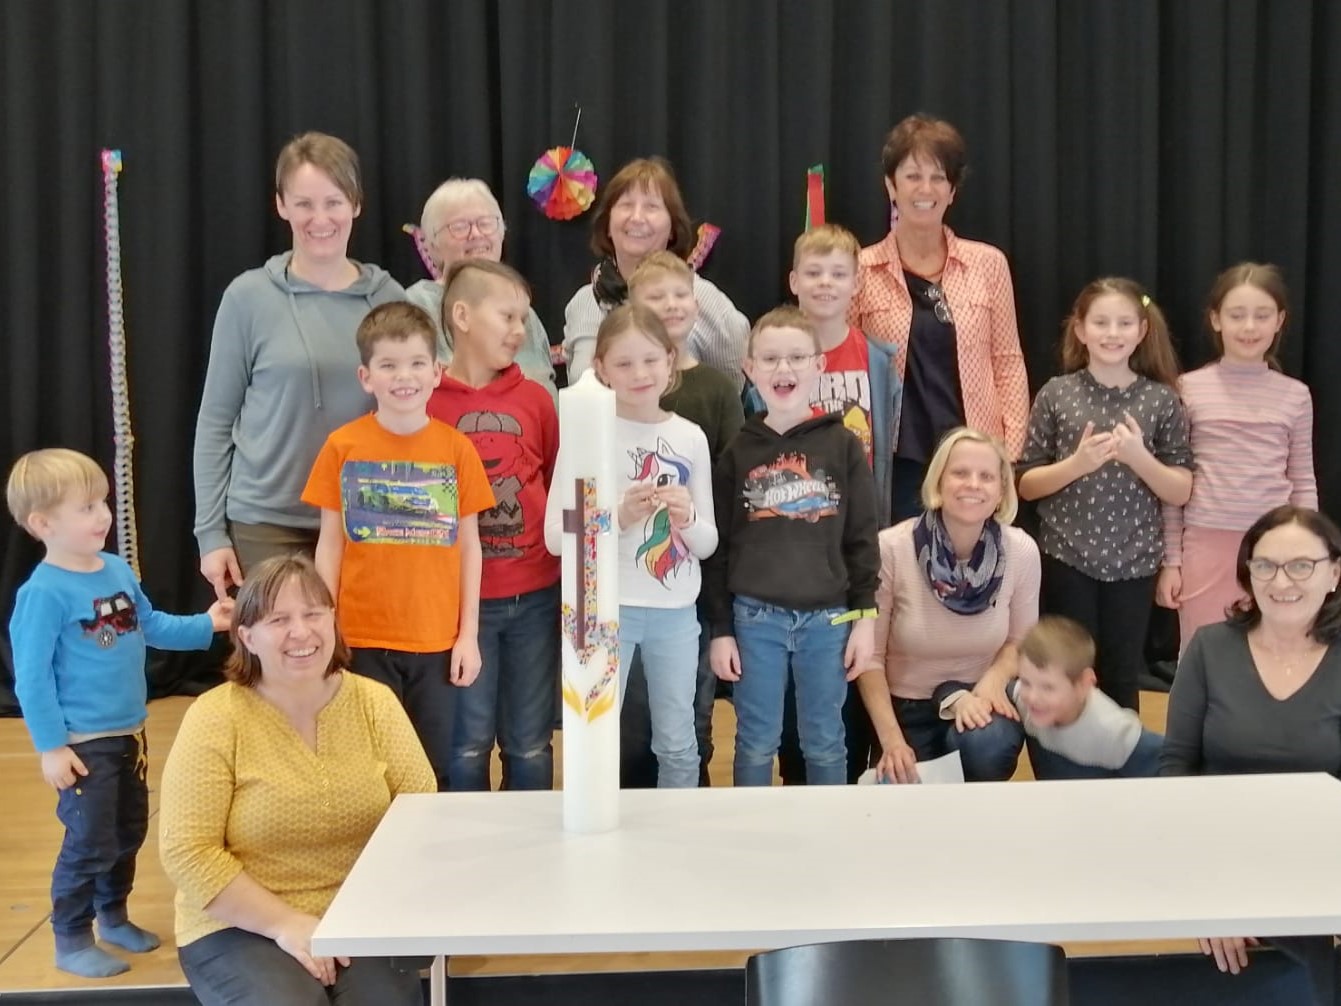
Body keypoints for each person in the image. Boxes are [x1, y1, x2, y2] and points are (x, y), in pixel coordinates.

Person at [159, 554, 435, 1006]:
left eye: (313, 614)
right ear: (246, 637)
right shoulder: (214, 717)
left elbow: (421, 816)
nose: (302, 632)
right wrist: (286, 923)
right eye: (279, 620)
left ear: (333, 621)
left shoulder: (375, 703)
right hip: (238, 922)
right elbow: (188, 852)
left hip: (359, 914)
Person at [6, 448, 229, 978]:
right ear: (43, 524)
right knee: (89, 841)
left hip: (129, 732)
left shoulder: (115, 569)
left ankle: (113, 915)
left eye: (103, 502)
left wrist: (208, 624)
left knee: (127, 831)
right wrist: (51, 747)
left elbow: (150, 626)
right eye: (86, 507)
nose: (103, 515)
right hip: (83, 743)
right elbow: (31, 678)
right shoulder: (43, 594)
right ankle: (70, 936)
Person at [193, 132, 404, 599]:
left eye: (333, 202)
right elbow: (215, 422)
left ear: (356, 205)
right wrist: (210, 534)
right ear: (281, 205)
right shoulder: (247, 298)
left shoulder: (389, 299)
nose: (320, 219)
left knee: (351, 645)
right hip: (267, 522)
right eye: (304, 204)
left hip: (363, 518)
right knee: (281, 641)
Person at [302, 301, 494, 790]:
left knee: (432, 767)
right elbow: (330, 545)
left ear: (437, 372)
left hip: (435, 639)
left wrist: (468, 635)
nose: (403, 377)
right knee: (365, 768)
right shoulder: (342, 447)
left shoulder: (457, 450)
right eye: (388, 365)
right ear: (366, 377)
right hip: (361, 638)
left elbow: (470, 548)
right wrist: (326, 627)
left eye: (415, 364)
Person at [1163, 505, 1341, 1003]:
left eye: (1300, 565)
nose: (1281, 581)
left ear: (1334, 573)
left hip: (1321, 858)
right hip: (1224, 855)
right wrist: (1210, 894)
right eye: (1265, 565)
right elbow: (1175, 772)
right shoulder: (1209, 649)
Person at [706, 306, 879, 786]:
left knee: (825, 739)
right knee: (756, 739)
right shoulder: (738, 451)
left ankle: (827, 828)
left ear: (818, 366)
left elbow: (862, 538)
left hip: (829, 620)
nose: (784, 369)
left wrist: (865, 619)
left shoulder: (843, 445)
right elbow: (718, 549)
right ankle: (753, 828)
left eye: (797, 357)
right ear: (749, 368)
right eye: (770, 359)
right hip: (755, 619)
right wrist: (722, 629)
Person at [545, 304, 718, 788]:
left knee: (678, 742)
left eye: (650, 360)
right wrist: (616, 516)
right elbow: (555, 536)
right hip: (603, 610)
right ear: (600, 368)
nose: (639, 374)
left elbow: (707, 543)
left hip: (675, 611)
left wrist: (686, 519)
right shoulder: (586, 434)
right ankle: (594, 826)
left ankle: (677, 829)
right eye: (624, 363)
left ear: (670, 360)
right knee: (593, 735)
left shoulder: (690, 437)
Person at [1017, 278, 1193, 712]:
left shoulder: (1161, 400)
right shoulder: (1057, 393)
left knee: (1121, 675)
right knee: (1068, 671)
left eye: (1124, 323)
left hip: (1135, 562)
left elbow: (1180, 489)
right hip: (1066, 557)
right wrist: (1077, 464)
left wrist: (1139, 458)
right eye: (1100, 322)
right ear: (1080, 329)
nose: (1112, 333)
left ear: (1142, 330)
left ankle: (1118, 752)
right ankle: (1065, 751)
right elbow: (1026, 484)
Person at [771, 222, 903, 785]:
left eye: (838, 273)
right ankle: (798, 777)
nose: (825, 283)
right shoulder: (775, 356)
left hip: (855, 542)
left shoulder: (877, 358)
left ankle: (850, 779)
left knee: (853, 657)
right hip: (792, 547)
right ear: (794, 281)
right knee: (795, 675)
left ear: (856, 285)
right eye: (814, 272)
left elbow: (886, 445)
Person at [848, 114, 1029, 521]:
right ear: (891, 186)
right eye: (912, 176)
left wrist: (1010, 452)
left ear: (952, 190)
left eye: (938, 178)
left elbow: (1007, 360)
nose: (925, 189)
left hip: (973, 457)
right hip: (896, 461)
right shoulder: (860, 269)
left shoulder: (988, 264)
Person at [427, 260, 560, 791]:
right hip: (461, 605)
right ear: (462, 316)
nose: (519, 330)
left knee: (530, 743)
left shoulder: (536, 400)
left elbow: (553, 480)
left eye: (523, 318)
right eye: (507, 316)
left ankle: (533, 840)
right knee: (466, 742)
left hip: (536, 597)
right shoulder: (427, 403)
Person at [620, 252, 745, 787]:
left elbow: (727, 494)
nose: (671, 305)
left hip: (694, 577)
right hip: (629, 584)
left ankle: (688, 805)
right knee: (631, 721)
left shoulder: (715, 390)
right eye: (656, 297)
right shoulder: (610, 402)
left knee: (690, 720)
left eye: (680, 294)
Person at [857, 427, 1036, 784]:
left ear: (1002, 491)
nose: (973, 484)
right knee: (900, 794)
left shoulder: (1021, 551)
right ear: (938, 481)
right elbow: (870, 659)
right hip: (906, 710)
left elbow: (1022, 641)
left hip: (981, 701)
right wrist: (892, 741)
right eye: (960, 473)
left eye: (986, 476)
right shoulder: (891, 548)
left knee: (988, 744)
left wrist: (992, 683)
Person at [1158, 263, 1316, 652]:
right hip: (1205, 543)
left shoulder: (1295, 395)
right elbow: (1175, 486)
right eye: (1237, 315)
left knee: (1273, 650)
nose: (1249, 327)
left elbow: (1302, 480)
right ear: (1216, 319)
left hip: (1275, 545)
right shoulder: (1187, 389)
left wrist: (1309, 549)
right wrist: (1172, 561)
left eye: (1262, 315)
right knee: (1201, 652)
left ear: (1279, 321)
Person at [562, 157, 749, 387]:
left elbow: (734, 384)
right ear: (608, 224)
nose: (636, 218)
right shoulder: (582, 303)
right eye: (626, 205)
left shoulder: (702, 298)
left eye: (651, 207)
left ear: (672, 228)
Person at [406, 177, 557, 397]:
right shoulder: (416, 305)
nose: (476, 234)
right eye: (459, 227)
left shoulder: (523, 310)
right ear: (432, 244)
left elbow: (545, 383)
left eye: (486, 223)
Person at [1012, 615, 1162, 780]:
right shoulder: (1024, 699)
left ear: (1084, 684)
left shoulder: (1116, 734)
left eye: (1048, 688)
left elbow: (1172, 766)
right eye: (1025, 682)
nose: (1032, 697)